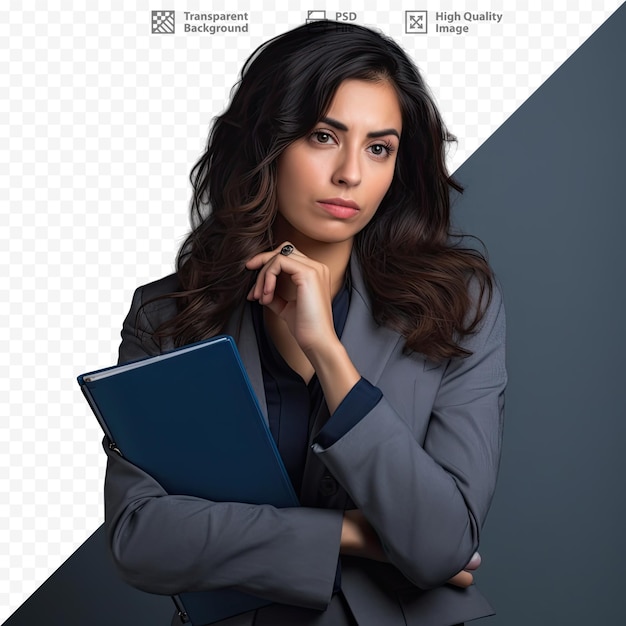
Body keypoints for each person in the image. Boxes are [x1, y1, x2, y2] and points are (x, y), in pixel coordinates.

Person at [102, 19, 506, 626]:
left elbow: (442, 545)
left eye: (379, 148)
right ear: (268, 142)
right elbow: (142, 539)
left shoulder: (459, 303)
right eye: (323, 136)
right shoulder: (168, 317)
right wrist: (351, 533)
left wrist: (327, 351)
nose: (350, 173)